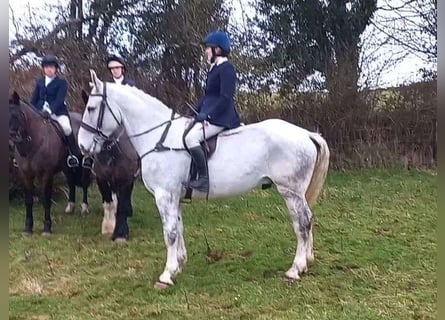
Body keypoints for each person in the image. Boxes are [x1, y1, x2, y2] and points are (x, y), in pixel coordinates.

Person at [184, 31, 241, 191]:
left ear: (217, 50)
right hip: (210, 114)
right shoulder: (214, 69)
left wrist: (208, 115)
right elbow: (208, 96)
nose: (206, 51)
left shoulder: (227, 69)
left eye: (208, 48)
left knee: (191, 139)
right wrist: (194, 112)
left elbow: (225, 98)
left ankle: (203, 179)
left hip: (222, 117)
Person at [30, 54, 81, 168]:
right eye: (47, 67)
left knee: (67, 128)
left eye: (52, 67)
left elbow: (59, 100)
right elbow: (34, 99)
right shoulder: (40, 82)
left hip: (57, 112)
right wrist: (32, 111)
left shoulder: (61, 82)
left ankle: (73, 154)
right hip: (40, 113)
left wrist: (50, 110)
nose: (49, 69)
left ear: (55, 69)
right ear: (43, 68)